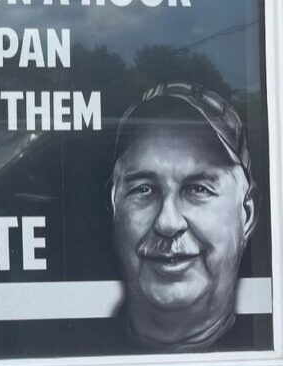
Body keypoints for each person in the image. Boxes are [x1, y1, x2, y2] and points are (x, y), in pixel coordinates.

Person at [110, 82, 257, 351]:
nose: (168, 223)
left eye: (198, 189)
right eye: (144, 189)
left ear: (246, 214)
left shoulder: (264, 349)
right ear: (114, 207)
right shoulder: (65, 351)